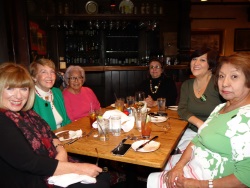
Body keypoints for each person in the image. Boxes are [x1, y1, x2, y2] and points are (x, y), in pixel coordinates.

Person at [147, 52, 250, 188]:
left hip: (208, 178)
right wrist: (179, 166)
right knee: (158, 163)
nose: (225, 83)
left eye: (234, 76)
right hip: (196, 161)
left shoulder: (246, 119)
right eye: (221, 76)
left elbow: (245, 178)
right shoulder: (221, 107)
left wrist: (197, 184)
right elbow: (197, 139)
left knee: (155, 175)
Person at [0, 62, 110, 188]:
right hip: (32, 179)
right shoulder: (3, 121)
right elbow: (31, 163)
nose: (18, 96)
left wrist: (61, 150)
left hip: (50, 162)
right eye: (10, 88)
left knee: (103, 176)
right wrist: (79, 169)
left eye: (23, 89)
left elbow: (49, 132)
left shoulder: (26, 112)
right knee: (99, 183)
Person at [177, 48, 223, 152]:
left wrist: (206, 129)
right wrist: (199, 123)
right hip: (191, 132)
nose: (196, 63)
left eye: (202, 60)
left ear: (211, 65)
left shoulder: (219, 83)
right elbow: (182, 109)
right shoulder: (187, 85)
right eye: (194, 59)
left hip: (215, 134)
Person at [29, 58, 71, 130]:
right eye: (44, 72)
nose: (49, 76)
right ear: (34, 77)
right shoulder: (29, 97)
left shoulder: (57, 92)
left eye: (52, 72)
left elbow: (66, 120)